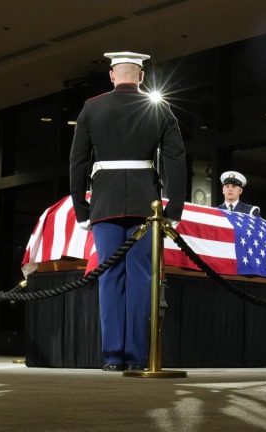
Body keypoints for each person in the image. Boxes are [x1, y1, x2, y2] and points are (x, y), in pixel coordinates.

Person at [69, 51, 186, 372]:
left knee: (109, 279)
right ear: (142, 76)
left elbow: (78, 161)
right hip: (145, 204)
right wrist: (174, 208)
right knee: (140, 280)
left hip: (104, 203)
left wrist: (81, 208)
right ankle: (135, 357)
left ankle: (112, 356)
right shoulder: (160, 108)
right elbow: (176, 160)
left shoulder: (92, 108)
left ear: (111, 75)